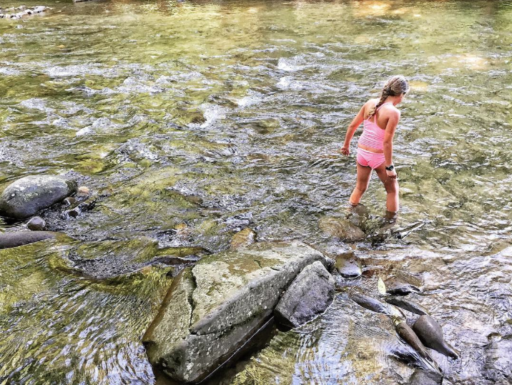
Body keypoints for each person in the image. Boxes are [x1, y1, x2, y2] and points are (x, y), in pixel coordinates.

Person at [340, 75, 409, 214]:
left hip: (362, 153)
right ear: (401, 94)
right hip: (378, 157)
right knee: (392, 190)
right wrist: (390, 167)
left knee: (360, 187)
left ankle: (348, 212)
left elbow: (352, 126)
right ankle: (390, 223)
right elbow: (387, 142)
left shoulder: (370, 103)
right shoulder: (393, 112)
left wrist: (346, 146)